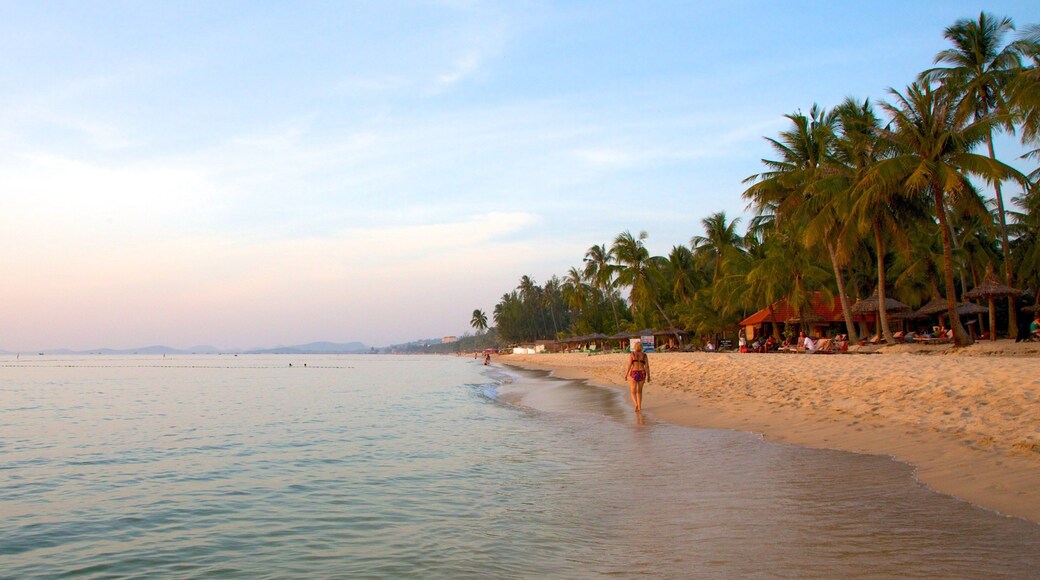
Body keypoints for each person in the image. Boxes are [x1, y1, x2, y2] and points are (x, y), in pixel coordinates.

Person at [623, 341, 650, 411]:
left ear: (635, 347)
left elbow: (629, 365)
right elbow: (647, 366)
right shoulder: (644, 355)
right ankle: (640, 407)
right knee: (639, 392)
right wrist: (649, 376)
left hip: (634, 373)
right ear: (641, 347)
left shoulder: (632, 354)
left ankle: (636, 404)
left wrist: (626, 374)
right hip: (642, 373)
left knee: (633, 392)